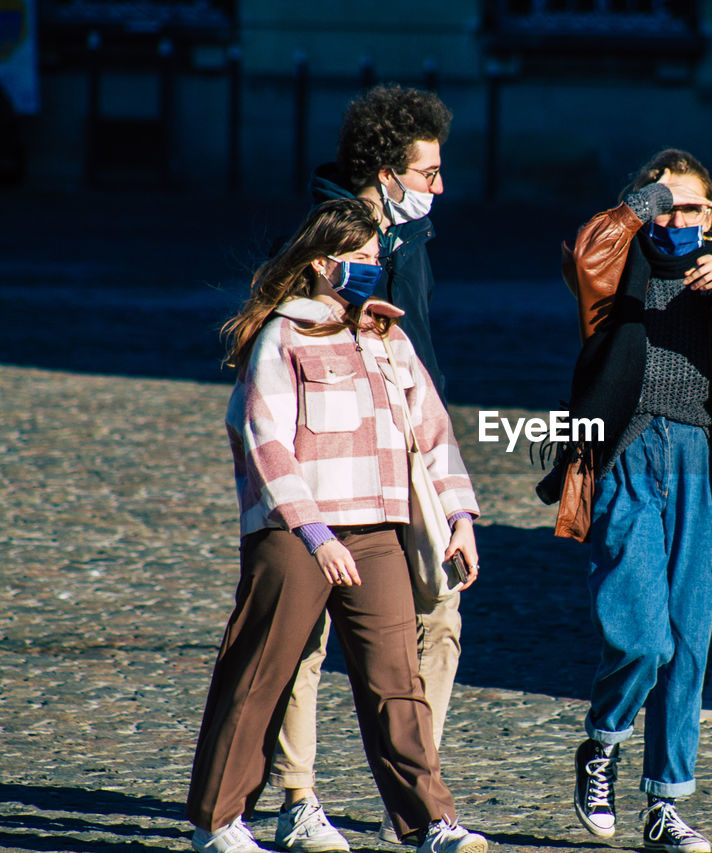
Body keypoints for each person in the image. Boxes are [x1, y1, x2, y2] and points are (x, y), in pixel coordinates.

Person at [186, 198, 487, 853]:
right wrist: (313, 533)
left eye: (377, 259)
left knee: (396, 681)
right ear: (324, 264)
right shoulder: (282, 335)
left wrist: (460, 515)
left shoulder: (387, 337)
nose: (373, 270)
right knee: (264, 669)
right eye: (361, 260)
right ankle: (218, 822)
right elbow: (264, 437)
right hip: (295, 535)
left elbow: (435, 433)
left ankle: (432, 821)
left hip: (377, 530)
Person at [546, 149, 712, 852]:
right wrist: (642, 202)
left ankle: (666, 803)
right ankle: (602, 744)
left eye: (692, 208)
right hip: (628, 456)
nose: (677, 219)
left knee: (688, 647)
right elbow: (586, 254)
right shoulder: (615, 275)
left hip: (702, 467)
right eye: (665, 206)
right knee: (642, 636)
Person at [271, 83, 460, 851]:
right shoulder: (321, 236)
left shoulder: (412, 237)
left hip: (408, 448)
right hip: (327, 450)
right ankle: (296, 797)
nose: (439, 188)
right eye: (426, 174)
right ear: (383, 175)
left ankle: (413, 791)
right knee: (306, 632)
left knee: (440, 610)